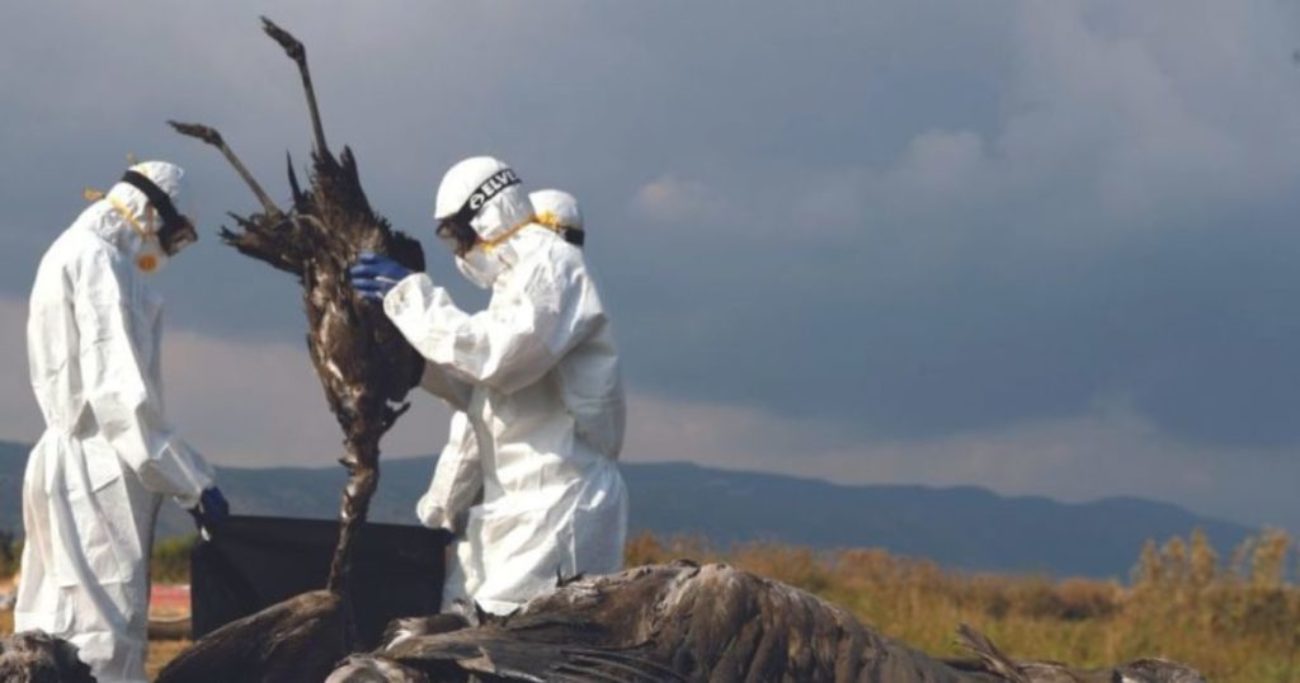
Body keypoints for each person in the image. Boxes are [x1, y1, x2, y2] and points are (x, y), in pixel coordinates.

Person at [351, 159, 627, 614]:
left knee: (509, 640)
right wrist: (410, 358)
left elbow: (498, 357)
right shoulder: (516, 282)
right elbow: (481, 397)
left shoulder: (553, 266)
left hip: (558, 503)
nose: (459, 251)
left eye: (456, 235)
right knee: (460, 627)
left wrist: (410, 297)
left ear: (485, 215)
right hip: (512, 510)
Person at [16, 160, 228, 683]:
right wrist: (193, 484)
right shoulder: (104, 263)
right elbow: (120, 397)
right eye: (175, 236)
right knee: (104, 635)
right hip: (98, 472)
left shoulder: (65, 249)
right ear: (150, 213)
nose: (168, 251)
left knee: (48, 627)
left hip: (59, 460)